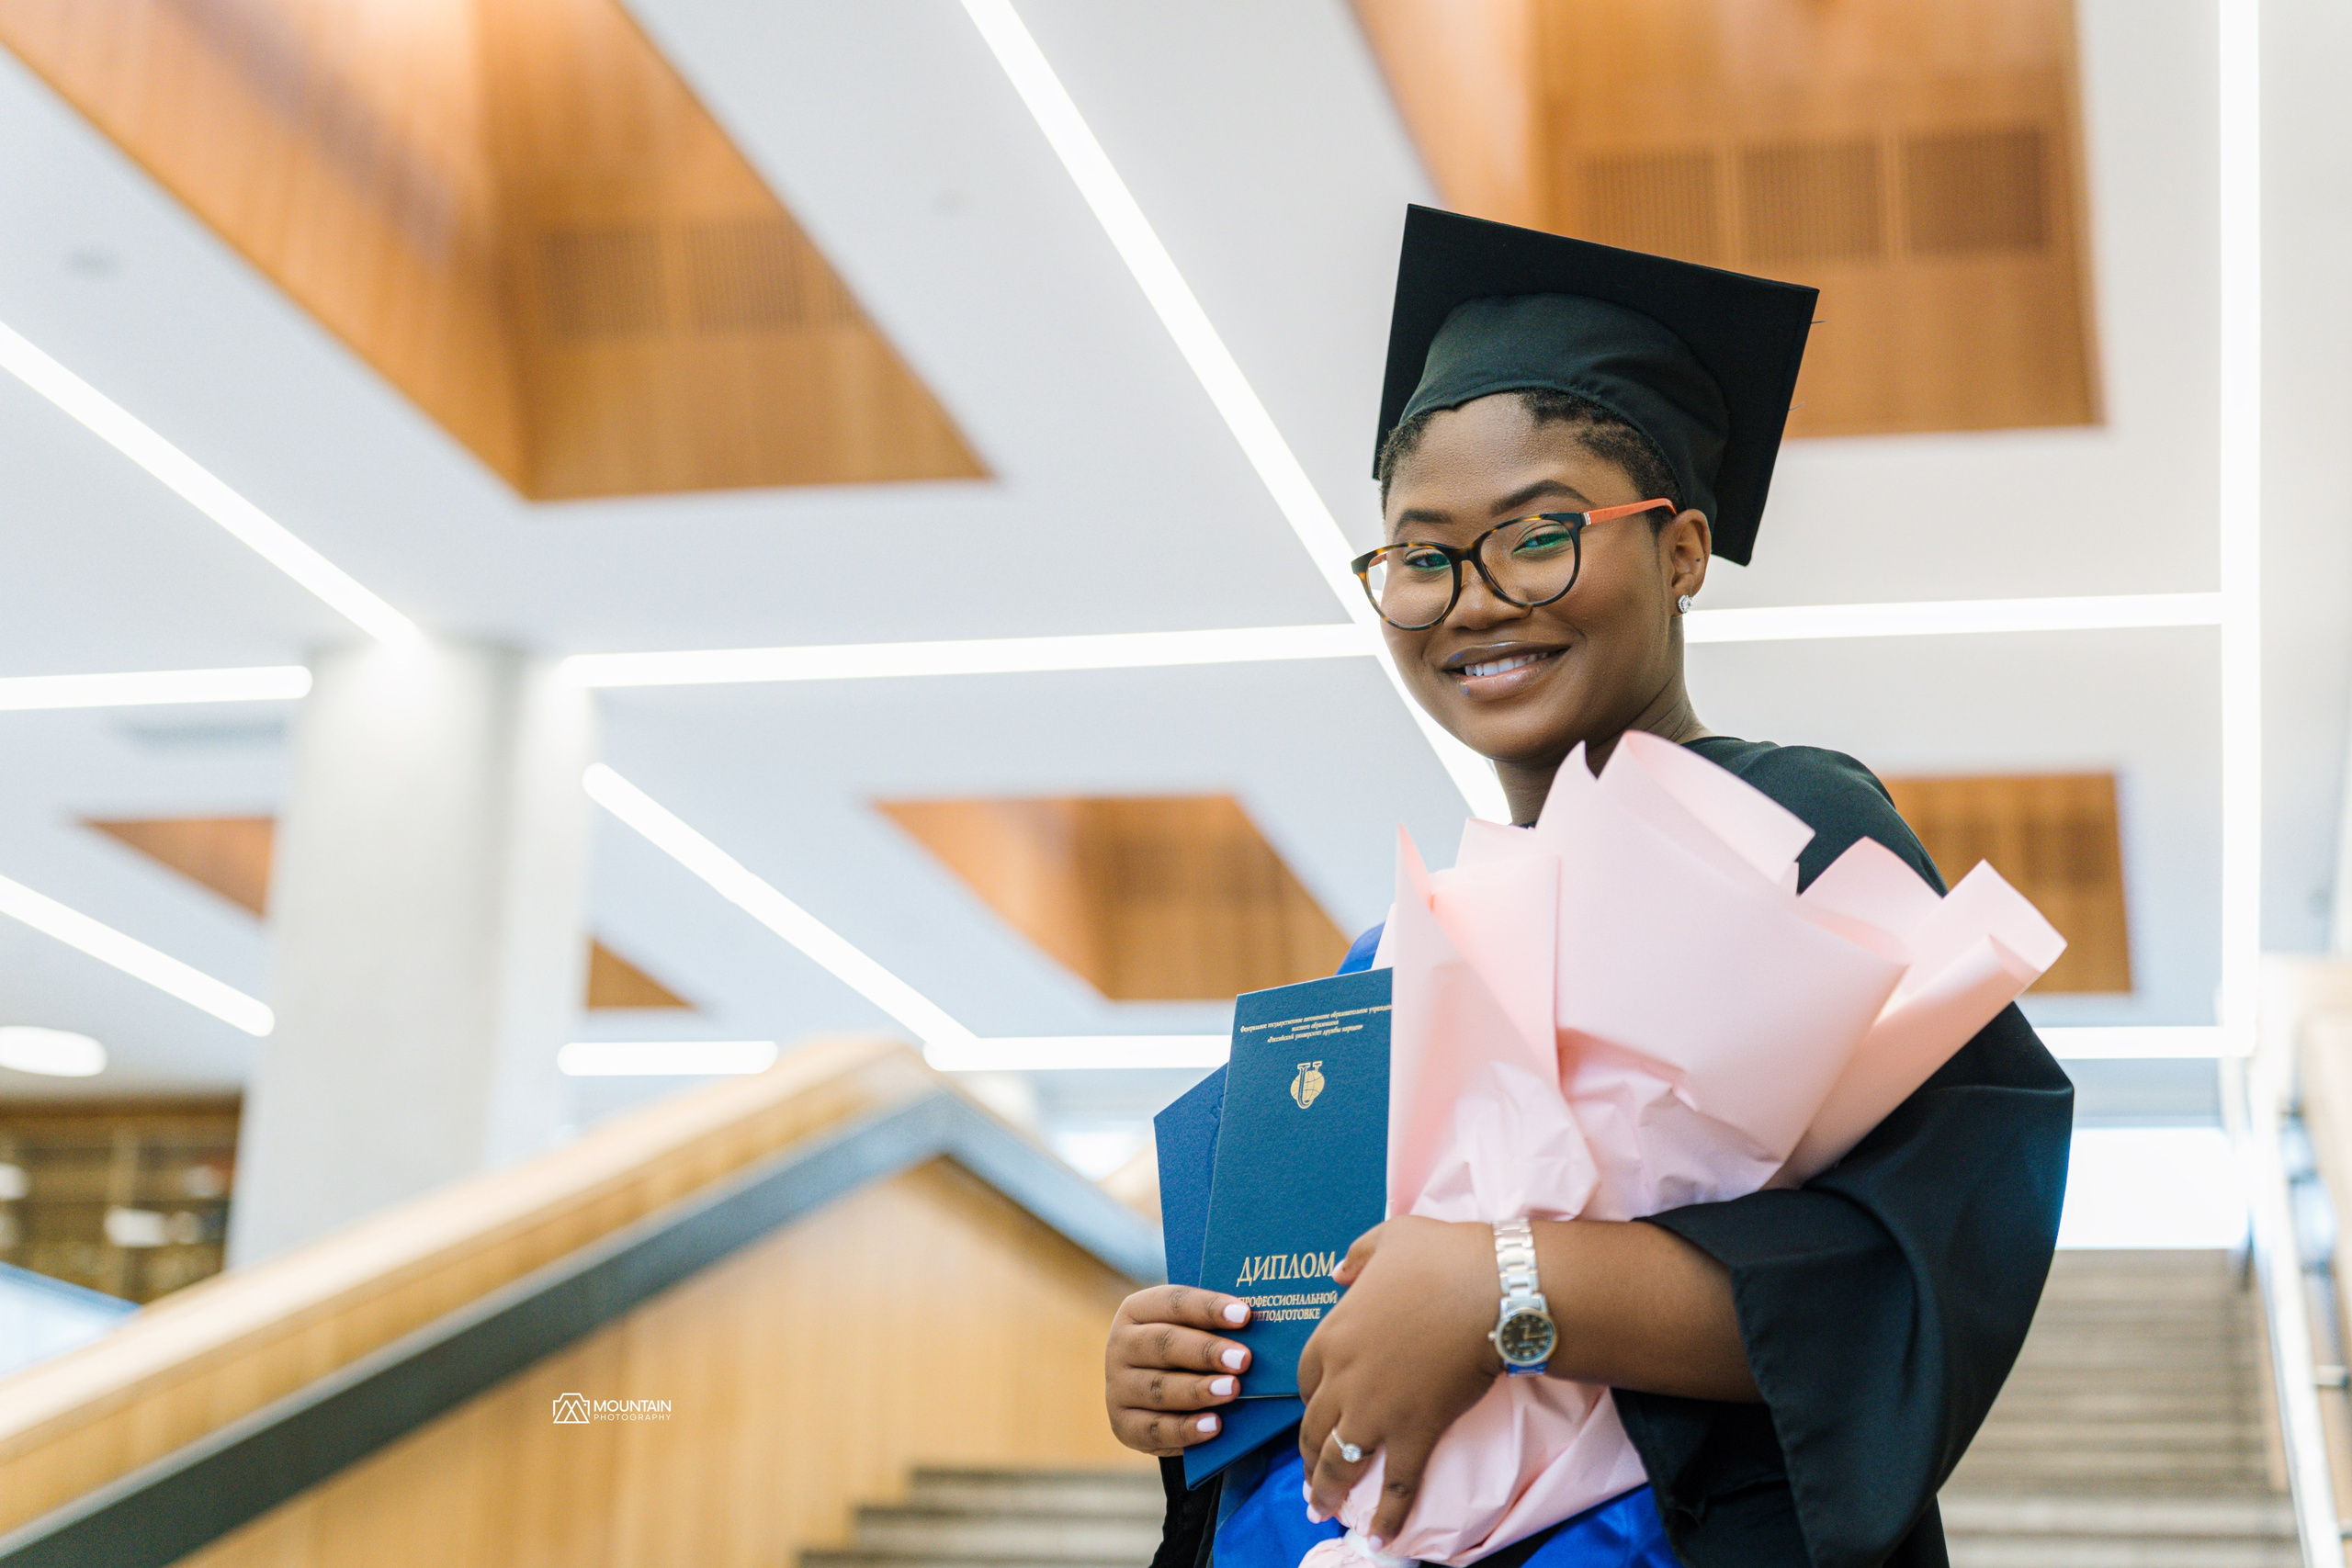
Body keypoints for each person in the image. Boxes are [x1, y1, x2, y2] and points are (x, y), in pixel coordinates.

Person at [1102, 208, 2074, 1568]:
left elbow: (1914, 1265)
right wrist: (1194, 1372)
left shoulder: (1790, 829)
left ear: (1682, 551)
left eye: (1539, 534)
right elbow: (1319, 1334)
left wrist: (1511, 1285)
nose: (1476, 598)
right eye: (1422, 556)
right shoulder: (1389, 952)